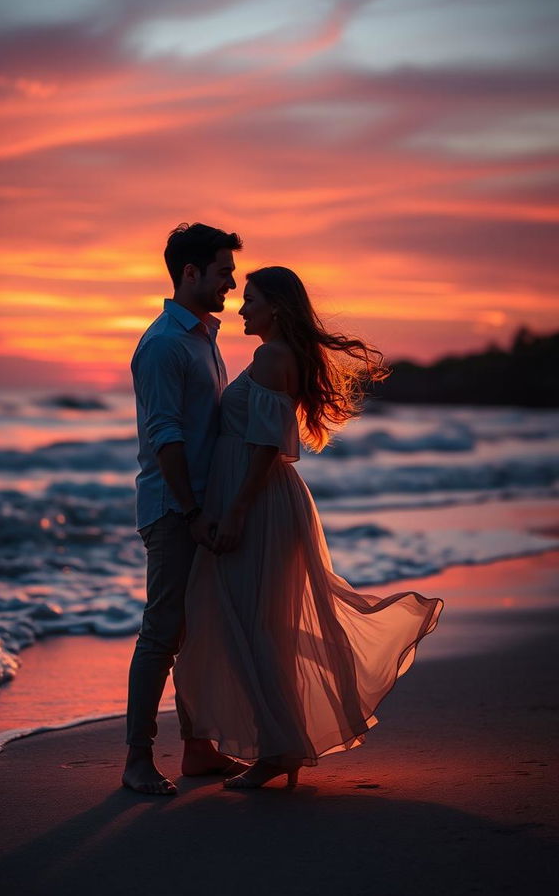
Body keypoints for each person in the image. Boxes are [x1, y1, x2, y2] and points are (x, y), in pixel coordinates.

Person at [173, 266, 443, 789]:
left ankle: (279, 750)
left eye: (251, 299)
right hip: (260, 500)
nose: (242, 307)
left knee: (253, 625)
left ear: (276, 307)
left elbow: (268, 444)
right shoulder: (276, 356)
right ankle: (280, 745)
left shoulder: (271, 357)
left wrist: (236, 511)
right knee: (254, 624)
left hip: (257, 504)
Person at [122, 222, 244, 795]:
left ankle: (197, 749)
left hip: (196, 506)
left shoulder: (203, 336)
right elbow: (166, 437)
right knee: (163, 633)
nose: (233, 281)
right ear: (189, 273)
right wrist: (194, 511)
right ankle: (137, 760)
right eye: (224, 270)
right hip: (174, 509)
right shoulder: (165, 344)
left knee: (195, 634)